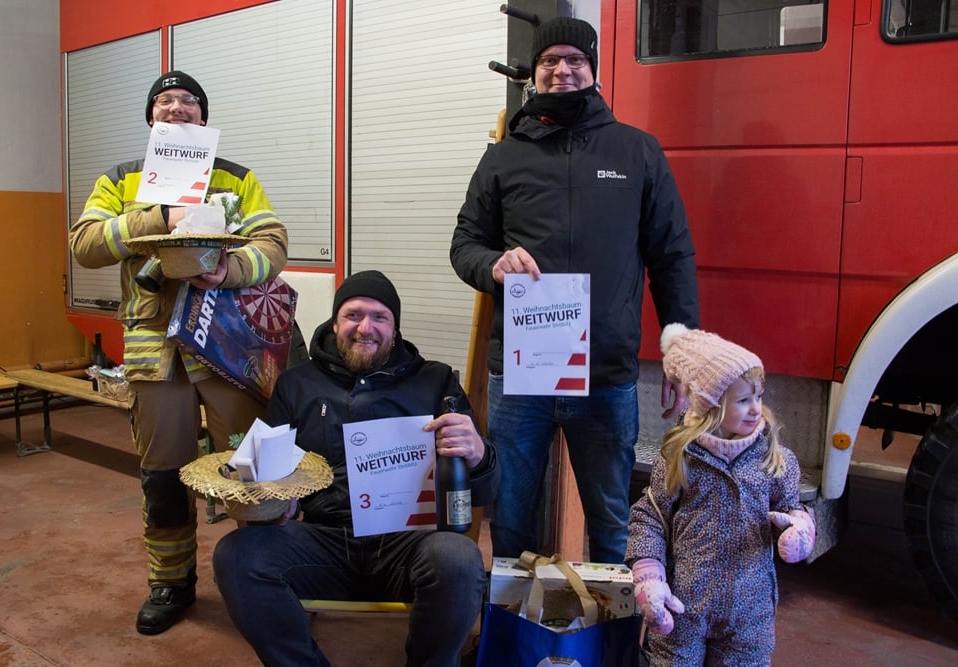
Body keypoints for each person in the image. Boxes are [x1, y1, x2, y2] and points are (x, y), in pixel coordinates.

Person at [450, 16, 698, 563]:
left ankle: (611, 618)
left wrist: (681, 345)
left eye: (575, 59)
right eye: (549, 60)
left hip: (605, 375)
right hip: (522, 375)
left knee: (611, 523)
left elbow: (672, 254)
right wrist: (493, 264)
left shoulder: (637, 152)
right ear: (534, 74)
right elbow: (464, 244)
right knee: (511, 520)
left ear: (593, 71)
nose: (562, 69)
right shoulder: (503, 156)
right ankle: (512, 617)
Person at [69, 70, 288, 635]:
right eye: (164, 101)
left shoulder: (236, 179)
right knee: (162, 476)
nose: (176, 108)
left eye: (189, 101)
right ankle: (171, 583)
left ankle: (266, 579)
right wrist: (159, 218)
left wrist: (229, 270)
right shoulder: (120, 179)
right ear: (151, 119)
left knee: (252, 470)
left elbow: (273, 243)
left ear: (203, 117)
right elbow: (85, 244)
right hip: (155, 353)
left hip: (227, 347)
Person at [212, 270, 500, 667]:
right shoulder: (296, 384)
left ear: (395, 329)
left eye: (380, 317)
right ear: (335, 323)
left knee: (460, 559)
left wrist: (479, 454)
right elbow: (264, 469)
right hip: (322, 540)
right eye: (353, 315)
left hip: (409, 543)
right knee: (235, 555)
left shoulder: (436, 381)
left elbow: (484, 491)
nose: (366, 328)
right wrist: (272, 500)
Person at [625, 324, 815, 665]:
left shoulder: (775, 459)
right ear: (710, 406)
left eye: (758, 397)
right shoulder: (680, 457)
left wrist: (799, 529)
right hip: (683, 610)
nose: (756, 409)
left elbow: (791, 507)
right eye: (743, 400)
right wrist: (649, 575)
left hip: (749, 616)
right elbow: (650, 516)